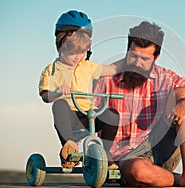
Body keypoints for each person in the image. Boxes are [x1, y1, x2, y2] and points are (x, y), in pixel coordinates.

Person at [93, 21, 185, 187]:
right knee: (138, 172)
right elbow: (89, 119)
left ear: (156, 57)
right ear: (127, 49)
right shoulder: (106, 79)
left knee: (184, 94)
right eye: (133, 56)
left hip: (160, 146)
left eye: (144, 59)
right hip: (128, 159)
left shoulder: (166, 78)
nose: (137, 63)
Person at [38, 10, 124, 168]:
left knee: (112, 114)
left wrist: (131, 57)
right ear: (60, 45)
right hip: (70, 118)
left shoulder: (88, 66)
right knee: (60, 105)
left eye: (82, 53)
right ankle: (69, 146)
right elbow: (45, 96)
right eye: (72, 53)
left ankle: (105, 154)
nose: (77, 57)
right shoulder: (51, 70)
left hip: (88, 115)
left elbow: (112, 69)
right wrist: (57, 93)